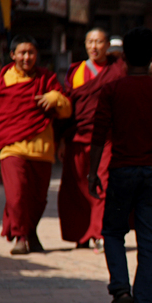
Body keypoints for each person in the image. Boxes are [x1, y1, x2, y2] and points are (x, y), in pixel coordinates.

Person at [88, 27, 152, 303]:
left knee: (114, 232)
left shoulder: (113, 90)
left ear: (125, 56)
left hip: (121, 172)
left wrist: (93, 172)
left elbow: (99, 134)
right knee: (150, 242)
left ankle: (120, 288)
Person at [0, 35, 72, 254]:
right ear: (12, 55)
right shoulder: (3, 82)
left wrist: (55, 97)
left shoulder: (47, 79)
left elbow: (67, 111)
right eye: (22, 52)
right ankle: (20, 237)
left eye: (31, 53)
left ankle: (31, 232)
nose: (26, 57)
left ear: (37, 55)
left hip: (42, 149)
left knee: (39, 199)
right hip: (12, 148)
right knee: (16, 195)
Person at [58, 27, 126, 253]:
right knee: (76, 186)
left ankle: (100, 233)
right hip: (78, 136)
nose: (94, 47)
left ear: (108, 45)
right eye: (90, 42)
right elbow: (68, 105)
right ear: (85, 45)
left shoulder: (117, 69)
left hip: (107, 137)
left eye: (99, 42)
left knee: (104, 183)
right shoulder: (76, 71)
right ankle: (81, 233)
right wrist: (60, 140)